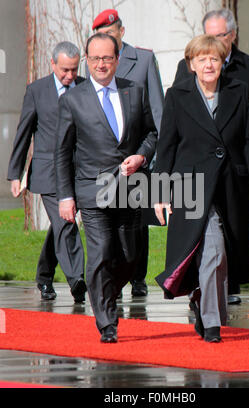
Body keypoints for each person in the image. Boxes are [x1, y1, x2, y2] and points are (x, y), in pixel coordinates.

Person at [154, 35, 249, 343]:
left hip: (230, 187)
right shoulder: (177, 96)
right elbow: (166, 146)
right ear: (191, 64)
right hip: (190, 187)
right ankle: (211, 324)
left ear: (223, 63)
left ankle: (200, 300)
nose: (209, 64)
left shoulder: (239, 91)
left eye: (215, 59)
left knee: (221, 256)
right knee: (212, 250)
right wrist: (159, 192)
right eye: (202, 59)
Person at [173, 8, 249, 305]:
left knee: (233, 235)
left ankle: (226, 289)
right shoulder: (188, 71)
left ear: (232, 35)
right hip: (196, 174)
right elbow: (176, 126)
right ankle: (203, 293)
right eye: (209, 36)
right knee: (204, 236)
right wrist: (164, 187)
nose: (213, 47)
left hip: (236, 171)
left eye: (220, 37)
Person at [55, 33, 157, 343]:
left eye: (107, 58)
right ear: (87, 60)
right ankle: (107, 323)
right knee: (100, 253)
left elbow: (152, 133)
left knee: (129, 255)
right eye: (96, 58)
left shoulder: (134, 93)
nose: (102, 64)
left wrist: (141, 156)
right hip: (92, 189)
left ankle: (107, 292)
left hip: (129, 189)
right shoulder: (73, 99)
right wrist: (66, 196)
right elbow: (62, 152)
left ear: (116, 60)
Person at [89, 9, 165, 297]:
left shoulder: (143, 60)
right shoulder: (94, 64)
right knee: (108, 221)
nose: (107, 41)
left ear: (122, 31)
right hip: (106, 160)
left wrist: (156, 157)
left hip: (139, 155)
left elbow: (157, 109)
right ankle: (114, 278)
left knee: (137, 223)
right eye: (102, 36)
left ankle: (137, 277)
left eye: (111, 34)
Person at [7, 41, 87, 303]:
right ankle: (77, 279)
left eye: (74, 70)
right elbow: (24, 132)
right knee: (66, 223)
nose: (69, 76)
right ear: (52, 64)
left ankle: (43, 275)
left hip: (80, 170)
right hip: (48, 172)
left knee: (59, 226)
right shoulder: (37, 90)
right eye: (64, 69)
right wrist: (16, 173)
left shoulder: (86, 87)